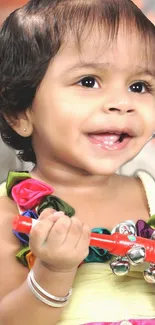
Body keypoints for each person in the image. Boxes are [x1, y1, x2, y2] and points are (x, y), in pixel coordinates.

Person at [0, 0, 155, 324]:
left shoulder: (151, 196)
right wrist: (52, 271)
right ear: (20, 112)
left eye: (139, 86)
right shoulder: (9, 214)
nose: (122, 103)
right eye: (88, 81)